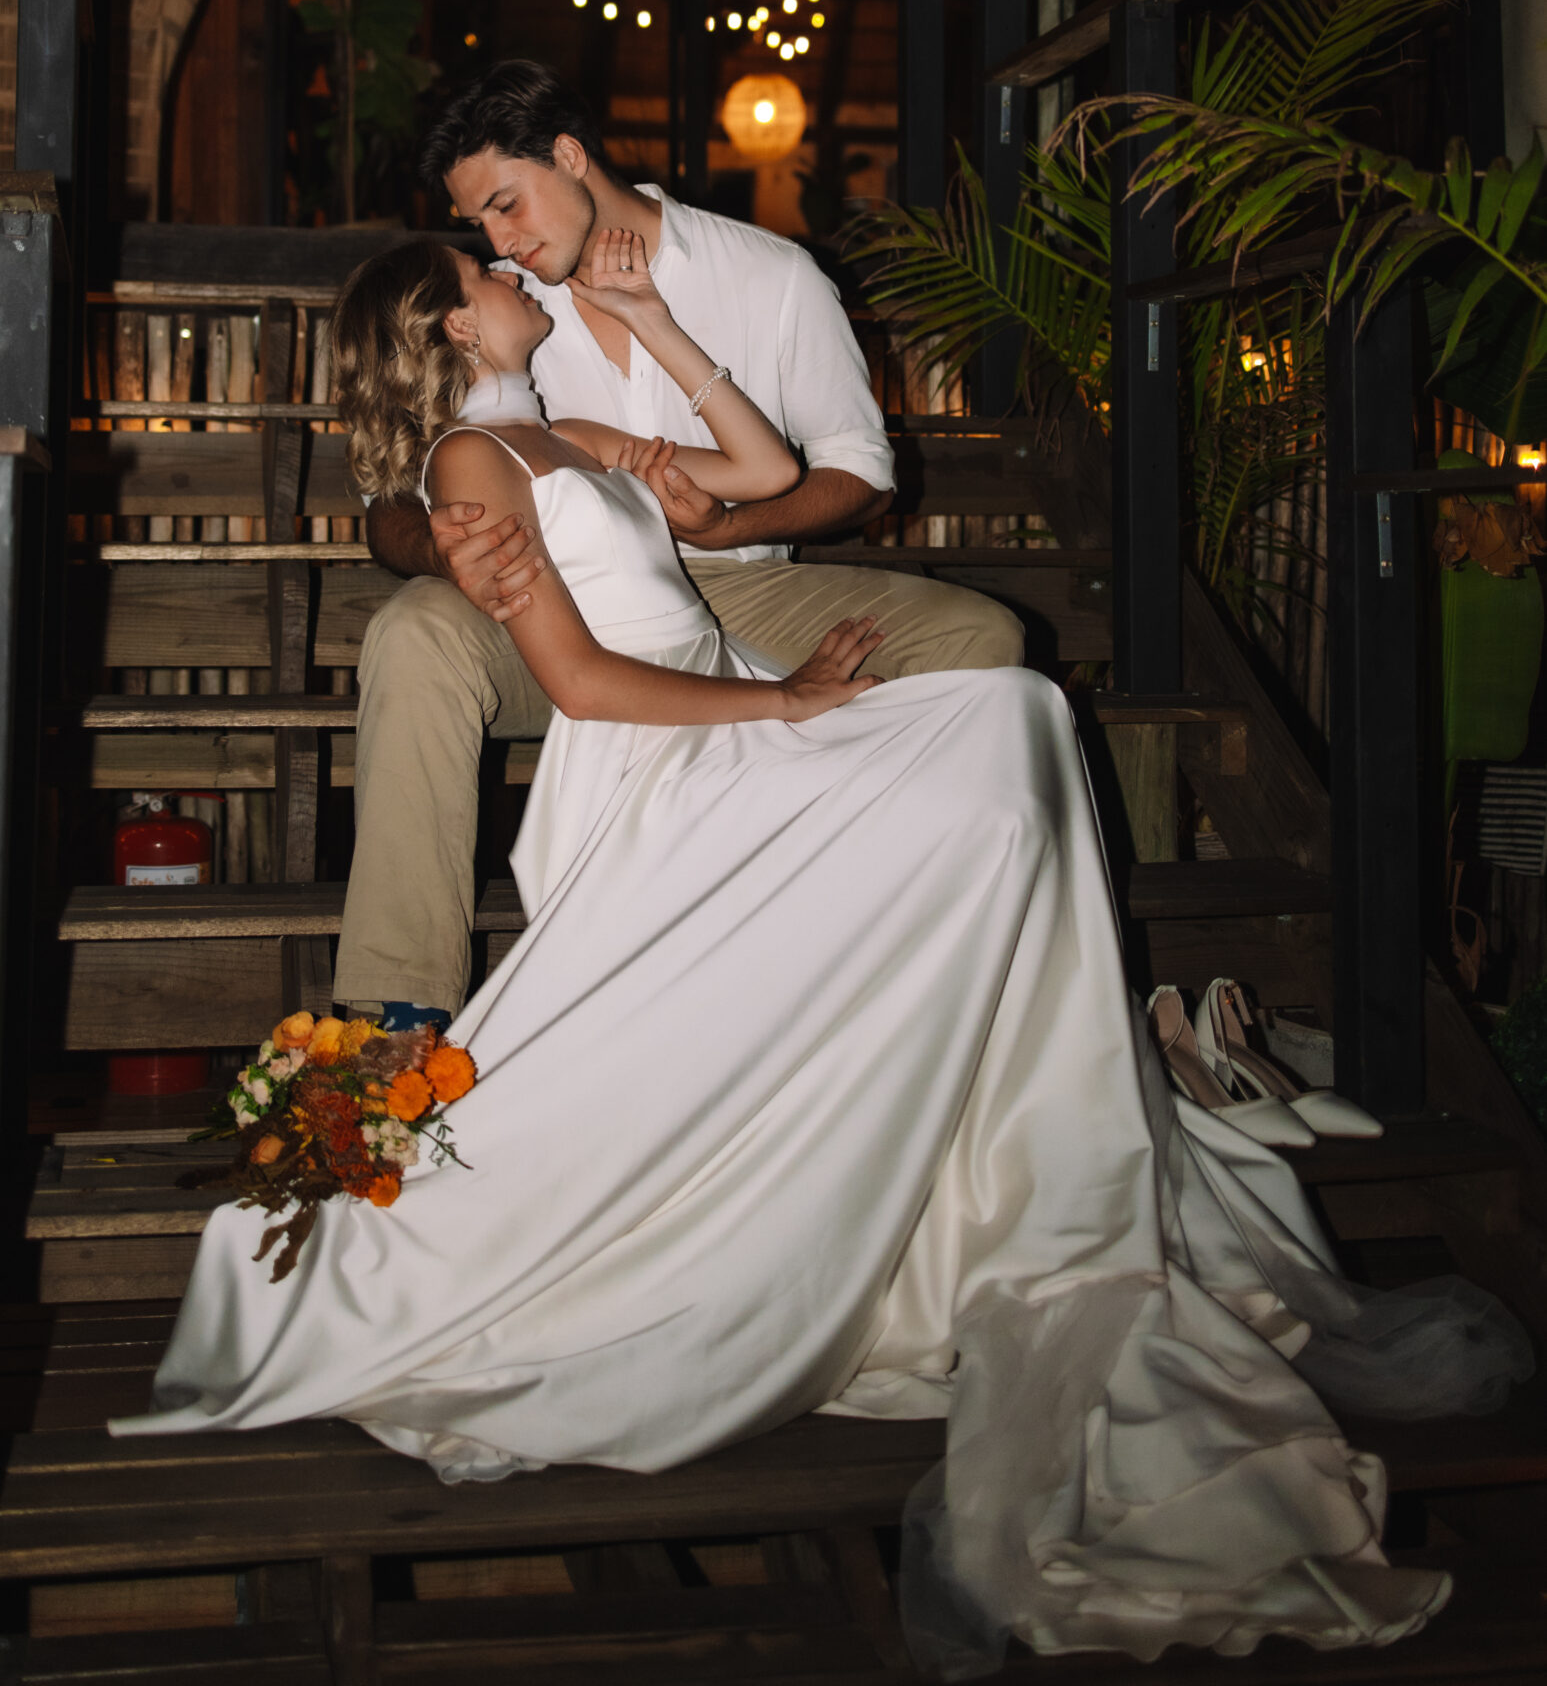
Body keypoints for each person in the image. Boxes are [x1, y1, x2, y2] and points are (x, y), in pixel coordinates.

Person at [117, 232, 1526, 1671]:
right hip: (662, 762)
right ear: (443, 326)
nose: (509, 274)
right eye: (478, 275)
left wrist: (653, 320)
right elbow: (582, 682)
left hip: (734, 707)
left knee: (1012, 721)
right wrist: (785, 709)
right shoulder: (473, 475)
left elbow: (748, 465)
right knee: (1000, 738)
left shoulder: (561, 430)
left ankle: (1002, 1110)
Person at [336, 61, 1024, 1031]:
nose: (502, 243)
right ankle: (394, 1017)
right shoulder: (505, 313)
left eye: (506, 206)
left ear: (569, 157)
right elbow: (382, 502)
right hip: (554, 599)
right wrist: (440, 543)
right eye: (481, 228)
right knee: (414, 632)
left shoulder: (771, 276)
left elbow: (859, 474)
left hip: (735, 583)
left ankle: (936, 987)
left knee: (980, 640)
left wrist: (729, 524)